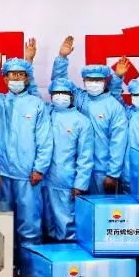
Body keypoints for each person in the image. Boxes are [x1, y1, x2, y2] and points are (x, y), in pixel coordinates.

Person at [0, 44, 52, 250]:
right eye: (12, 75)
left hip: (28, 175)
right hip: (3, 174)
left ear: (27, 79)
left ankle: (28, 264)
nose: (16, 78)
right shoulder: (0, 103)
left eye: (21, 75)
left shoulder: (36, 104)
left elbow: (45, 139)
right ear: (5, 79)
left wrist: (39, 168)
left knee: (29, 222)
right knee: (3, 221)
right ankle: (5, 262)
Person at [40, 37, 127, 195]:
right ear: (84, 80)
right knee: (78, 207)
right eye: (89, 80)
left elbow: (118, 142)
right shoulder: (80, 97)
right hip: (76, 170)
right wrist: (62, 58)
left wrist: (113, 173)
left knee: (99, 207)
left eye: (97, 80)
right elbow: (60, 83)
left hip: (101, 171)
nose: (93, 83)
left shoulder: (114, 107)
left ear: (105, 81)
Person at [42, 78, 94, 242]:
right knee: (47, 220)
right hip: (43, 178)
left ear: (72, 96)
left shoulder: (82, 121)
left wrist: (80, 184)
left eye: (64, 93)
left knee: (66, 221)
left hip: (66, 180)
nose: (60, 96)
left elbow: (85, 156)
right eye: (56, 93)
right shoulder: (46, 115)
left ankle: (67, 250)